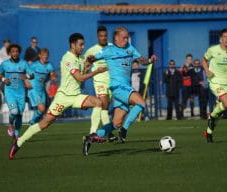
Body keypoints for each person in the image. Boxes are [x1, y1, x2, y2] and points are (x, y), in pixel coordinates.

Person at [9, 33, 107, 159]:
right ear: (73, 45)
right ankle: (18, 142)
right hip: (63, 98)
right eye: (80, 44)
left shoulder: (81, 58)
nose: (83, 47)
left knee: (98, 102)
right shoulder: (68, 58)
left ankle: (92, 135)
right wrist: (96, 71)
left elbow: (82, 75)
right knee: (44, 123)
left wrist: (87, 67)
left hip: (76, 95)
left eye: (83, 44)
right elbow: (79, 77)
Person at [83, 27, 156, 156]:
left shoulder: (130, 48)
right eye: (124, 37)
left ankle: (91, 137)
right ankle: (125, 129)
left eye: (127, 37)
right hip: (118, 87)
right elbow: (94, 58)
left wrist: (149, 60)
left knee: (116, 123)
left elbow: (141, 60)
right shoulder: (108, 50)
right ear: (116, 38)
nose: (126, 39)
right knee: (141, 103)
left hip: (124, 88)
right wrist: (89, 60)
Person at [202, 28, 227, 143]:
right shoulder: (213, 50)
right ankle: (212, 116)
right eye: (225, 36)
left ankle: (208, 133)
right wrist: (206, 70)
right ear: (220, 38)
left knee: (221, 111)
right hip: (215, 81)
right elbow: (204, 60)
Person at [84, 26, 116, 141]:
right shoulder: (92, 50)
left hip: (111, 81)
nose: (103, 38)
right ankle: (93, 132)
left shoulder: (112, 47)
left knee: (105, 107)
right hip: (99, 81)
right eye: (101, 36)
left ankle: (108, 133)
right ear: (98, 37)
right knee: (102, 104)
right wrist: (86, 68)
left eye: (105, 36)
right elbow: (85, 64)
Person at [0, 44, 32, 140]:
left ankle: (17, 136)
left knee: (19, 115)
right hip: (10, 92)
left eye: (17, 51)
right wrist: (4, 79)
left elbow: (32, 74)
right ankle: (10, 125)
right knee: (14, 111)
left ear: (19, 52)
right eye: (13, 51)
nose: (15, 53)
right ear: (10, 53)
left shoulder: (24, 63)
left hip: (21, 93)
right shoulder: (5, 64)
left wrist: (27, 77)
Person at [28, 48, 56, 125]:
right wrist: (26, 82)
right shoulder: (34, 65)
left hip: (41, 89)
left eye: (47, 55)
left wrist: (53, 76)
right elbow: (25, 73)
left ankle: (32, 122)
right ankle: (33, 121)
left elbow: (52, 74)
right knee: (42, 108)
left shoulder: (49, 65)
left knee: (43, 110)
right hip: (33, 89)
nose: (45, 56)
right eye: (44, 55)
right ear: (39, 55)